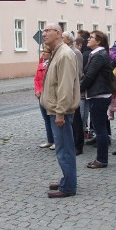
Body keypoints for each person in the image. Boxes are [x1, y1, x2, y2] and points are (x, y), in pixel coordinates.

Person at [40, 23, 80, 198]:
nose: (43, 34)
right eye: (43, 31)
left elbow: (65, 87)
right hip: (55, 109)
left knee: (64, 149)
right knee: (63, 148)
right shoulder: (57, 53)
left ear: (58, 33)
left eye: (47, 31)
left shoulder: (64, 55)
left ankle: (69, 186)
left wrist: (60, 112)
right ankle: (67, 180)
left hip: (59, 111)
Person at [80, 30, 113, 169]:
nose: (88, 39)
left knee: (100, 129)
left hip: (100, 95)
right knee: (100, 128)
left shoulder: (99, 55)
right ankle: (100, 158)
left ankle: (102, 159)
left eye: (91, 38)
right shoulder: (97, 54)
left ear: (99, 41)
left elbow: (90, 76)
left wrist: (78, 89)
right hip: (97, 94)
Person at [63, 31, 85, 155]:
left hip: (73, 88)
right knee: (68, 118)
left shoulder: (75, 52)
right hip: (67, 88)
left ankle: (78, 145)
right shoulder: (62, 51)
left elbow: (79, 72)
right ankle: (70, 142)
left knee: (76, 118)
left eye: (63, 38)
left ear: (70, 40)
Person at [34, 45, 55, 150]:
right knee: (46, 119)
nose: (43, 54)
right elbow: (37, 79)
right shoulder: (41, 63)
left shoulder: (53, 64)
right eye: (43, 52)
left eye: (46, 52)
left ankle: (56, 141)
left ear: (51, 54)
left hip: (49, 95)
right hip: (41, 95)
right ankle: (50, 140)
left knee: (52, 118)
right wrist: (37, 91)